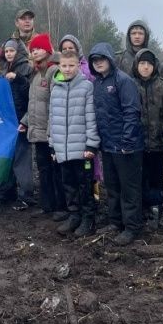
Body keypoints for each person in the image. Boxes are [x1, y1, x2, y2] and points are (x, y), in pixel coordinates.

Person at [88, 42, 145, 246]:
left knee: (129, 189)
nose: (98, 63)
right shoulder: (97, 84)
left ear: (110, 60)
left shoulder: (123, 81)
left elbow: (132, 111)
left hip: (126, 146)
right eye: (94, 60)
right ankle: (115, 221)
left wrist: (127, 141)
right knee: (112, 186)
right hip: (108, 145)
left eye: (101, 59)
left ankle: (132, 227)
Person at [49, 51, 101, 237]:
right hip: (62, 149)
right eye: (64, 66)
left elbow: (91, 118)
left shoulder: (87, 87)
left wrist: (91, 144)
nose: (67, 69)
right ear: (59, 66)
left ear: (78, 65)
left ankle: (88, 219)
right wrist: (53, 145)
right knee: (68, 185)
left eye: (71, 65)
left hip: (81, 150)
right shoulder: (56, 89)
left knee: (84, 186)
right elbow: (52, 119)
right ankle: (74, 215)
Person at [22, 33, 67, 218]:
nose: (35, 52)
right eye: (32, 49)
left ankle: (61, 207)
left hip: (51, 132)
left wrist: (51, 130)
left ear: (48, 50)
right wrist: (25, 121)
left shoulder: (54, 72)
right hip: (37, 131)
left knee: (57, 171)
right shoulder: (35, 74)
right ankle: (47, 205)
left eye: (38, 48)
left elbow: (56, 103)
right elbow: (34, 103)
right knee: (43, 169)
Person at [132, 49, 163, 229]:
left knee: (156, 178)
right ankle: (142, 209)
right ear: (136, 65)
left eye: (148, 64)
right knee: (140, 177)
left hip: (158, 142)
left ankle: (156, 210)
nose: (145, 67)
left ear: (154, 66)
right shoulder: (131, 85)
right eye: (142, 63)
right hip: (137, 143)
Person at [3, 38, 33, 208]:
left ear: (18, 52)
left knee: (23, 157)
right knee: (9, 156)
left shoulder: (26, 68)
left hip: (22, 118)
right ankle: (8, 191)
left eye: (12, 51)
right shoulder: (3, 69)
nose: (9, 54)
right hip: (7, 120)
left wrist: (19, 78)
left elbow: (30, 91)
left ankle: (26, 194)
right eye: (6, 51)